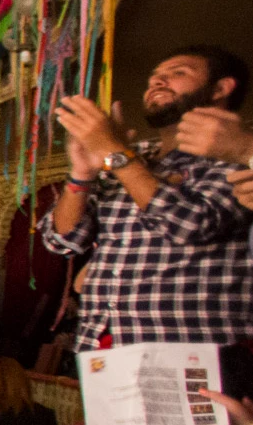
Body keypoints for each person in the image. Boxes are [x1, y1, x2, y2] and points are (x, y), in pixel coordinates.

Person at [41, 47, 253, 347]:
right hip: (103, 346)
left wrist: (115, 154)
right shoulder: (135, 156)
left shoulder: (240, 153)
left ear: (220, 88)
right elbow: (62, 241)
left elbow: (189, 226)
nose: (157, 82)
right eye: (154, 77)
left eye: (178, 73)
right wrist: (81, 173)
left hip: (189, 350)